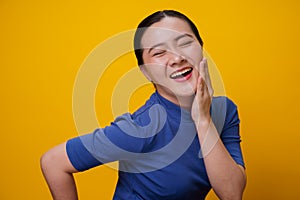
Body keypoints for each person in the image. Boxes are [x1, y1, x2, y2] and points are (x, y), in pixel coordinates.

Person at [40, 10, 246, 200]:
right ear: (146, 72)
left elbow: (231, 193)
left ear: (201, 48)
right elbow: (53, 162)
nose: (176, 58)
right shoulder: (141, 127)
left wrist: (203, 120)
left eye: (184, 43)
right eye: (159, 53)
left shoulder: (224, 111)